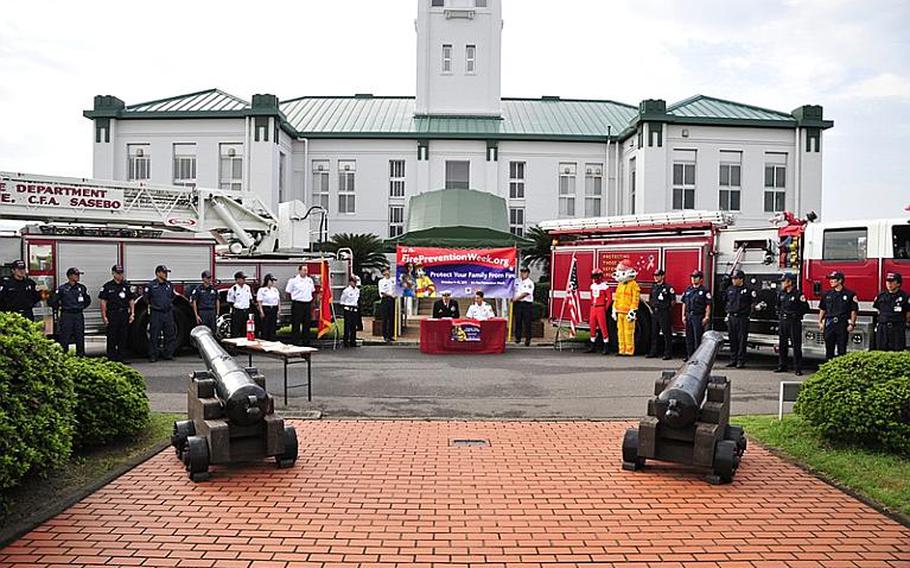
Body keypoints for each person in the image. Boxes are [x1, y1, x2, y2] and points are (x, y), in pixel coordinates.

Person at [49, 267, 90, 356]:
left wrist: (80, 307)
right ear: (70, 276)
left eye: (78, 275)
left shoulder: (81, 288)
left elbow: (87, 300)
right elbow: (53, 301)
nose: (78, 276)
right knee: (65, 336)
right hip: (67, 315)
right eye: (76, 275)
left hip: (78, 315)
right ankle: (64, 355)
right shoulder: (62, 288)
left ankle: (80, 355)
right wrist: (60, 308)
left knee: (79, 336)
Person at [98, 264, 135, 362]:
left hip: (123, 314)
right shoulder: (107, 286)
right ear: (113, 273)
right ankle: (111, 358)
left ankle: (121, 357)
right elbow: (103, 301)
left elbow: (131, 300)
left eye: (121, 273)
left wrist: (132, 314)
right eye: (118, 273)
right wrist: (104, 316)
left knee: (123, 336)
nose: (120, 275)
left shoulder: (126, 286)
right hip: (112, 314)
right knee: (112, 336)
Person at [818, 271, 857, 360]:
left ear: (840, 281)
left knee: (842, 349)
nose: (830, 281)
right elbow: (822, 309)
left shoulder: (850, 294)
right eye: (830, 279)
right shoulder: (826, 294)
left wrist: (852, 324)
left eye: (833, 279)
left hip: (842, 323)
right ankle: (829, 368)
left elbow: (853, 310)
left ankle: (840, 369)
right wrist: (820, 322)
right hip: (829, 323)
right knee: (829, 349)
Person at [775, 272, 810, 375]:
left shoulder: (798, 294)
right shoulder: (781, 294)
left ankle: (797, 368)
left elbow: (805, 308)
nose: (782, 283)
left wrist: (796, 315)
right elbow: (778, 306)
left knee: (796, 345)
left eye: (783, 281)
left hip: (794, 322)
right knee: (782, 344)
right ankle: (782, 365)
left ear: (789, 282)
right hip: (783, 321)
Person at [723, 269, 755, 368]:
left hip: (742, 318)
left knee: (741, 340)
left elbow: (752, 303)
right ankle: (733, 359)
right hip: (732, 317)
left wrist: (749, 314)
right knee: (732, 339)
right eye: (733, 278)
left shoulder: (748, 290)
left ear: (741, 279)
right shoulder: (730, 289)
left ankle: (740, 361)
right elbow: (726, 301)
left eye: (735, 278)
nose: (733, 280)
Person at [145, 265, 177, 361]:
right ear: (158, 273)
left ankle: (168, 354)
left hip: (167, 313)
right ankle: (153, 355)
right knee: (154, 335)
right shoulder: (151, 285)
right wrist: (154, 306)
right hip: (156, 313)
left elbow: (172, 296)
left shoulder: (169, 285)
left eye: (166, 272)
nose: (166, 274)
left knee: (170, 334)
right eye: (164, 272)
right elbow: (146, 299)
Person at [873, 272, 908, 351]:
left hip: (897, 328)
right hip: (883, 327)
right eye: (888, 281)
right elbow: (878, 310)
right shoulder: (881, 296)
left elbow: (908, 313)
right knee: (881, 350)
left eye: (892, 281)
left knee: (897, 350)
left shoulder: (904, 296)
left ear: (898, 283)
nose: (889, 284)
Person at [681, 269, 712, 359]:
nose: (693, 279)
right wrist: (683, 315)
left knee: (697, 337)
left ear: (701, 279)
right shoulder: (688, 290)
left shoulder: (704, 291)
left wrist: (706, 316)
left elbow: (708, 305)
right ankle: (689, 355)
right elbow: (684, 303)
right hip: (689, 316)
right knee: (689, 337)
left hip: (698, 316)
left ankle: (697, 357)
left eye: (696, 277)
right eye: (692, 277)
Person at [647, 268, 674, 360]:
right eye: (655, 276)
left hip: (664, 312)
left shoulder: (668, 287)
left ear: (662, 276)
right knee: (654, 333)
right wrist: (652, 306)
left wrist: (666, 308)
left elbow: (672, 301)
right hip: (655, 312)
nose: (655, 277)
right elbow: (650, 298)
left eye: (657, 276)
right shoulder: (654, 287)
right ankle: (653, 352)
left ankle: (668, 353)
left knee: (666, 333)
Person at [286, 264, 315, 346]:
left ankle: (306, 342)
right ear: (299, 271)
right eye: (304, 270)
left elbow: (312, 291)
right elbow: (288, 292)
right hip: (297, 304)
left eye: (306, 270)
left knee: (307, 324)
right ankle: (295, 342)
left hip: (307, 304)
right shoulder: (293, 281)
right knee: (296, 324)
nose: (305, 272)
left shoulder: (309, 280)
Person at [586, 269, 610, 354]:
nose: (595, 279)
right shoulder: (592, 286)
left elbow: (609, 299)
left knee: (603, 327)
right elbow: (591, 298)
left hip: (600, 308)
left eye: (596, 277)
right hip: (593, 308)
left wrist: (604, 308)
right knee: (592, 326)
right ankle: (592, 345)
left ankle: (606, 345)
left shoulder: (605, 286)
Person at [227, 271, 253, 339]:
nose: (244, 280)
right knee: (235, 330)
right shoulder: (233, 289)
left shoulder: (247, 287)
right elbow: (230, 301)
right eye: (242, 278)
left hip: (246, 311)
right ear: (237, 279)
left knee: (245, 330)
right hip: (237, 311)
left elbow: (250, 299)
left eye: (244, 278)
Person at [513, 267, 535, 346]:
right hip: (518, 304)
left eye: (525, 272)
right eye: (522, 271)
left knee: (527, 322)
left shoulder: (530, 283)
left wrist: (515, 299)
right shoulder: (516, 281)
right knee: (518, 321)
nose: (523, 273)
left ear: (528, 273)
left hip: (526, 304)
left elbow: (525, 293)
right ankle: (517, 338)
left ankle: (528, 339)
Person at [256, 274, 280, 341]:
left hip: (274, 308)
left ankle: (272, 339)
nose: (272, 282)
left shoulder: (275, 290)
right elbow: (259, 302)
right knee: (265, 326)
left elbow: (278, 300)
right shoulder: (262, 290)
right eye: (271, 281)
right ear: (267, 281)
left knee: (273, 326)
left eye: (273, 281)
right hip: (266, 308)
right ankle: (265, 339)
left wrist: (279, 310)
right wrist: (261, 311)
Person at [339, 275, 361, 347]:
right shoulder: (346, 291)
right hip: (348, 309)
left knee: (353, 327)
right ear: (350, 282)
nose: (354, 283)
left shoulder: (357, 290)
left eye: (355, 282)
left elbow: (357, 300)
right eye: (353, 282)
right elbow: (342, 301)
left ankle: (353, 341)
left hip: (354, 309)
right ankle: (346, 342)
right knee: (347, 326)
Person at [378, 267, 397, 342]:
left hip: (392, 300)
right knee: (385, 318)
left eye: (388, 270)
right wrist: (391, 295)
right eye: (386, 271)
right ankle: (385, 335)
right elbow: (382, 292)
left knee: (392, 318)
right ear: (383, 273)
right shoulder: (381, 281)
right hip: (385, 300)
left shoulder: (393, 280)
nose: (388, 272)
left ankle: (390, 335)